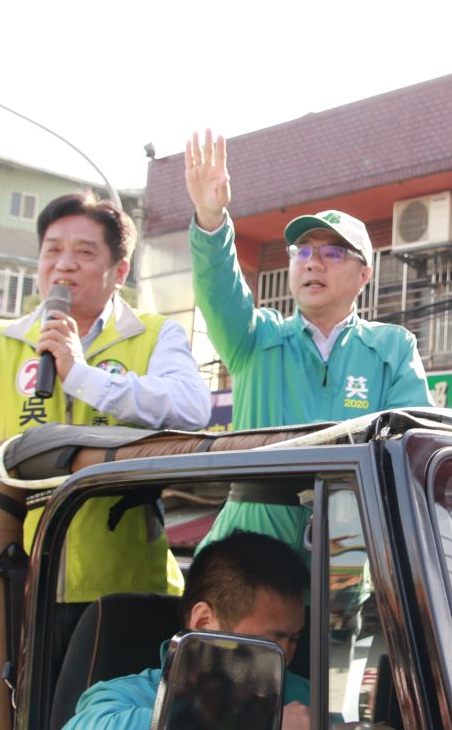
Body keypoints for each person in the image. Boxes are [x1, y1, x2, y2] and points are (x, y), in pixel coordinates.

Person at [0, 190, 212, 602]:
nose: (64, 263)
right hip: (26, 591)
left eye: (84, 252)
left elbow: (191, 407)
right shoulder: (3, 340)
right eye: (53, 250)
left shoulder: (153, 334)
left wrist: (81, 375)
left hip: (128, 593)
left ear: (119, 271)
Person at [186, 129, 434, 556]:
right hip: (248, 561)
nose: (313, 263)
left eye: (333, 253)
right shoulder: (254, 337)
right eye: (302, 251)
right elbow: (218, 288)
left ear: (364, 275)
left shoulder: (393, 349)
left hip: (349, 561)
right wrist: (211, 220)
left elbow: (412, 448)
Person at [63, 531, 310, 730]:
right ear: (203, 623)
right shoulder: (128, 698)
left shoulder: (305, 699)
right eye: (272, 639)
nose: (285, 655)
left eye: (294, 639)